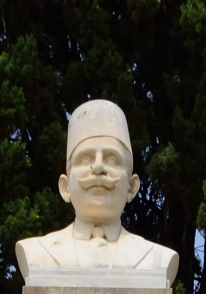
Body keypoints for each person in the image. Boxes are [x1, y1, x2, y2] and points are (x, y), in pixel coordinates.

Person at [16, 100, 178, 284]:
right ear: (65, 187)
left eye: (112, 159)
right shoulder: (37, 252)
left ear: (131, 187)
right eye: (85, 158)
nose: (99, 167)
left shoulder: (157, 259)